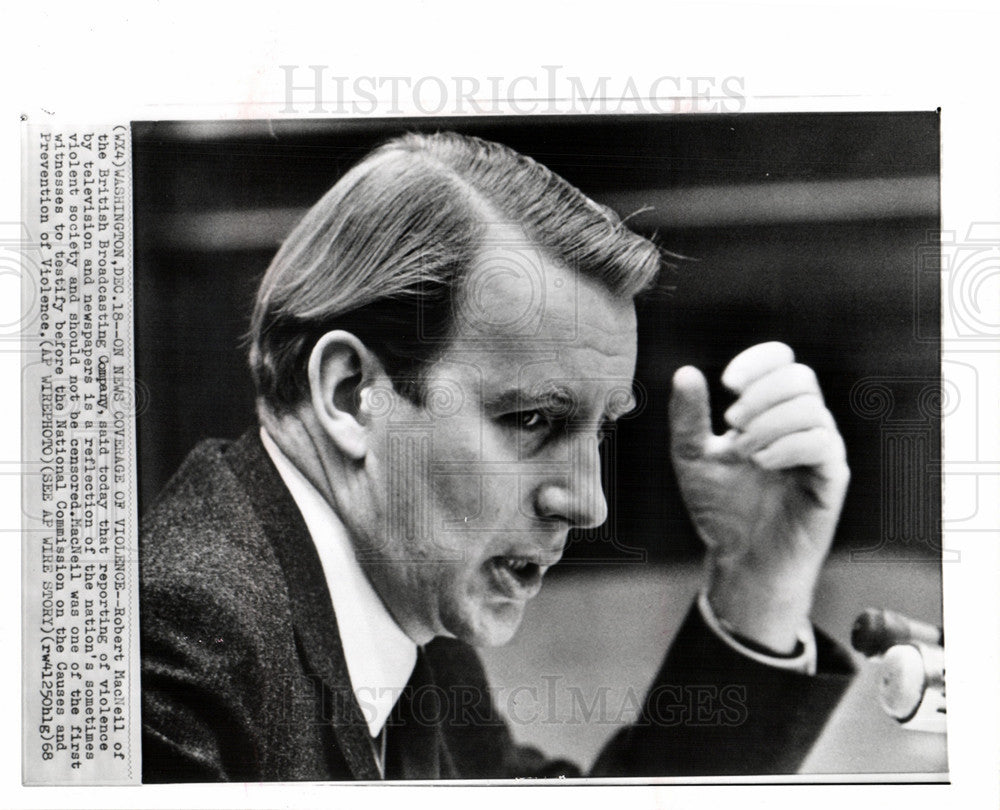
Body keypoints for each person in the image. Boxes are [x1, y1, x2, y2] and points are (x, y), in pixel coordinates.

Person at [139, 131, 855, 782]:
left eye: (601, 430)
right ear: (352, 393)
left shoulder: (403, 597)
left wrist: (760, 581)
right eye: (533, 419)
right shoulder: (179, 649)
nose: (588, 503)